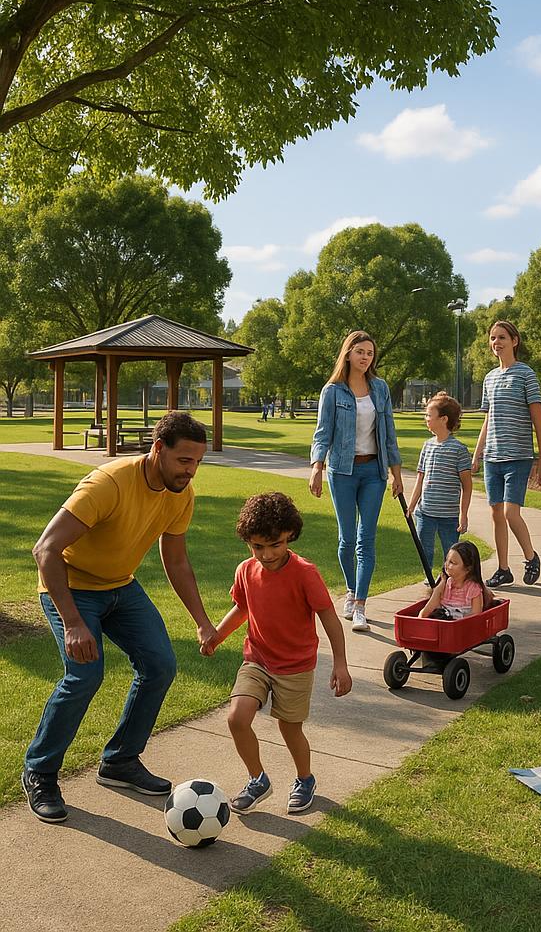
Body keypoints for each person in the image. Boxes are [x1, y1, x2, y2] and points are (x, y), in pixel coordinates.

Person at [23, 411, 217, 824]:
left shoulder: (181, 492)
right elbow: (45, 550)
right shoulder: (108, 483)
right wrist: (73, 621)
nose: (191, 470)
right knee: (84, 675)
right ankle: (39, 771)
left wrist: (202, 620)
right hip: (73, 586)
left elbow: (178, 561)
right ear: (157, 449)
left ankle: (120, 762)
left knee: (161, 665)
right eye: (184, 460)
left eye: (198, 461)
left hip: (119, 587)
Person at [203, 492, 352, 815]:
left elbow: (328, 616)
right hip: (256, 658)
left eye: (276, 545)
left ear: (290, 536)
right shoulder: (245, 570)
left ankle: (304, 778)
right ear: (247, 542)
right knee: (236, 717)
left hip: (295, 665)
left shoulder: (304, 573)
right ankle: (257, 779)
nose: (267, 555)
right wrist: (216, 637)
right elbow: (242, 608)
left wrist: (340, 664)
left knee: (289, 727)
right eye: (257, 546)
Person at [309, 330, 403, 633]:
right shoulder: (333, 391)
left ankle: (361, 604)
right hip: (342, 472)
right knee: (346, 539)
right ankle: (351, 590)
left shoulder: (380, 388)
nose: (365, 358)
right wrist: (316, 468)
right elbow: (323, 433)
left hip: (373, 473)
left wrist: (396, 473)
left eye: (370, 353)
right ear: (348, 353)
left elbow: (388, 432)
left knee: (366, 539)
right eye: (360, 352)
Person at [472, 321, 541, 589]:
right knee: (495, 513)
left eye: (502, 337)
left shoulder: (525, 374)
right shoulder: (490, 378)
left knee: (510, 512)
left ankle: (531, 557)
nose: (497, 342)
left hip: (518, 457)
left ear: (514, 341)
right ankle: (503, 569)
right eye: (493, 338)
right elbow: (488, 417)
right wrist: (477, 452)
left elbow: (538, 418)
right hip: (493, 457)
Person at [405, 392, 473, 578]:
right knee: (424, 553)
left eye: (429, 415)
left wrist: (463, 514)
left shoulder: (458, 450)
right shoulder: (427, 446)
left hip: (449, 516)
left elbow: (467, 486)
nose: (426, 419)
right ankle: (431, 585)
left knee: (451, 556)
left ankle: (448, 584)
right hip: (425, 513)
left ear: (443, 419)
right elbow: (420, 479)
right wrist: (411, 506)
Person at [417, 541, 490, 619]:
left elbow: (476, 617)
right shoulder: (445, 585)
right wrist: (438, 590)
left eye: (452, 562)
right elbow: (423, 615)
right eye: (447, 560)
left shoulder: (473, 589)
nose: (447, 565)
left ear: (468, 568)